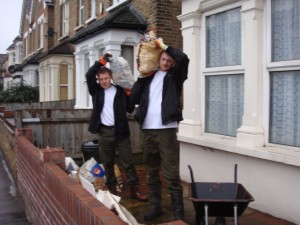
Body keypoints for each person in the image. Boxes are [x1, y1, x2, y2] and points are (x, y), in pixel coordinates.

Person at [129, 39, 190, 221]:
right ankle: (156, 207)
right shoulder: (148, 77)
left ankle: (179, 213)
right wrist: (140, 77)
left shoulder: (175, 76)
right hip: (147, 130)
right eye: (163, 59)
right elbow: (133, 100)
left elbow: (184, 58)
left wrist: (163, 46)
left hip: (166, 131)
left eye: (169, 61)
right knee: (151, 171)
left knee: (171, 174)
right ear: (158, 59)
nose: (166, 63)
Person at [85, 53, 147, 202]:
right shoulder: (96, 91)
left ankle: (134, 189)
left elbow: (130, 109)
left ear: (111, 78)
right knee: (107, 163)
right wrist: (101, 61)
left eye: (106, 79)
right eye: (101, 79)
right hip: (105, 132)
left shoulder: (120, 91)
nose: (104, 82)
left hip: (121, 132)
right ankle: (111, 190)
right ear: (98, 80)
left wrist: (129, 94)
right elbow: (89, 74)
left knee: (128, 163)